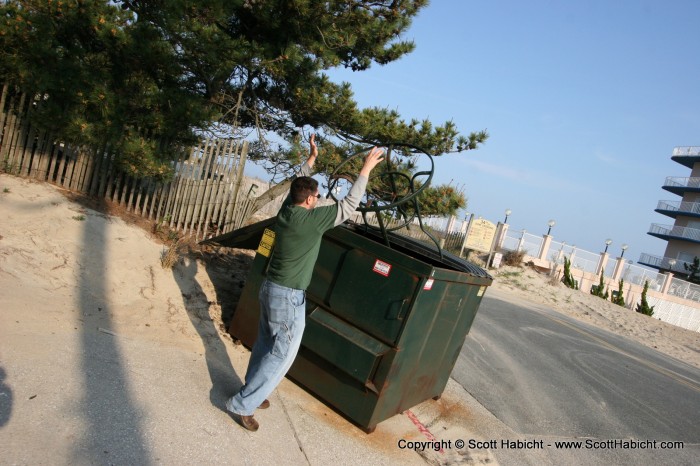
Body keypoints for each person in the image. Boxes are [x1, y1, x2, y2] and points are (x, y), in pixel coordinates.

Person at [226, 135, 385, 431]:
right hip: (287, 297)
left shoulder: (287, 211)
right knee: (282, 353)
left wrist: (311, 158)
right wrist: (365, 169)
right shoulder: (313, 220)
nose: (318, 198)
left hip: (270, 288)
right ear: (311, 199)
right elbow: (349, 205)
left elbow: (299, 181)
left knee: (265, 343)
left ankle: (253, 391)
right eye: (316, 195)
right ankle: (243, 403)